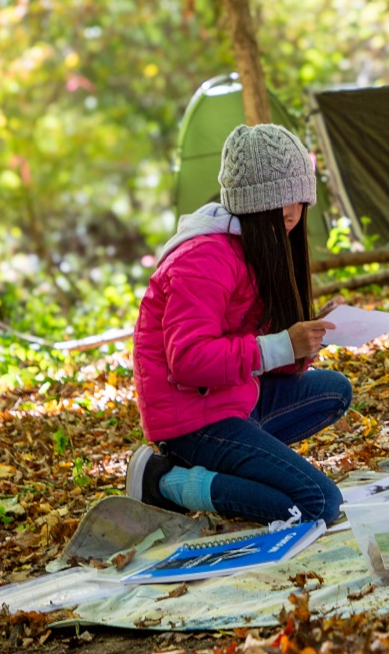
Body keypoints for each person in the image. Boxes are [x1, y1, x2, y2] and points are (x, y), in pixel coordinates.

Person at [127, 124, 350, 525]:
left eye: (298, 199)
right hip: (191, 419)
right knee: (317, 504)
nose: (291, 213)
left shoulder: (258, 248)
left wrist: (304, 342)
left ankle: (244, 465)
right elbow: (189, 359)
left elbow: (253, 349)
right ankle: (166, 482)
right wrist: (282, 345)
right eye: (279, 200)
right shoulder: (204, 258)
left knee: (335, 391)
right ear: (250, 203)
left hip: (233, 397)